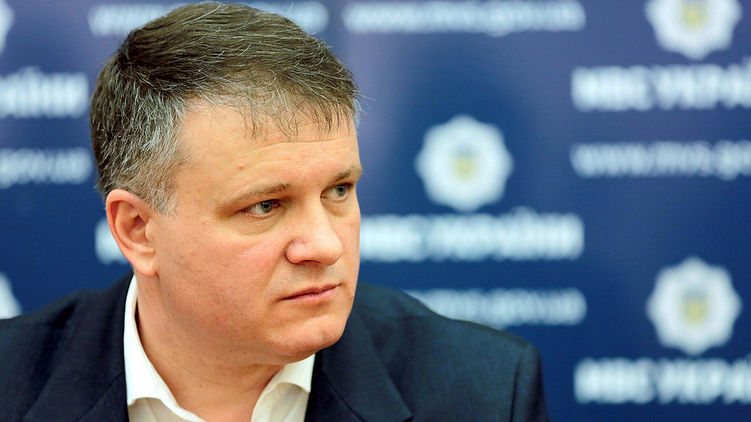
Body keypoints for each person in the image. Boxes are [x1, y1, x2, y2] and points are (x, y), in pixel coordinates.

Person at [0, 2, 549, 421]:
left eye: (339, 190)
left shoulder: (483, 392)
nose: (325, 246)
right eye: (265, 205)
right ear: (138, 230)